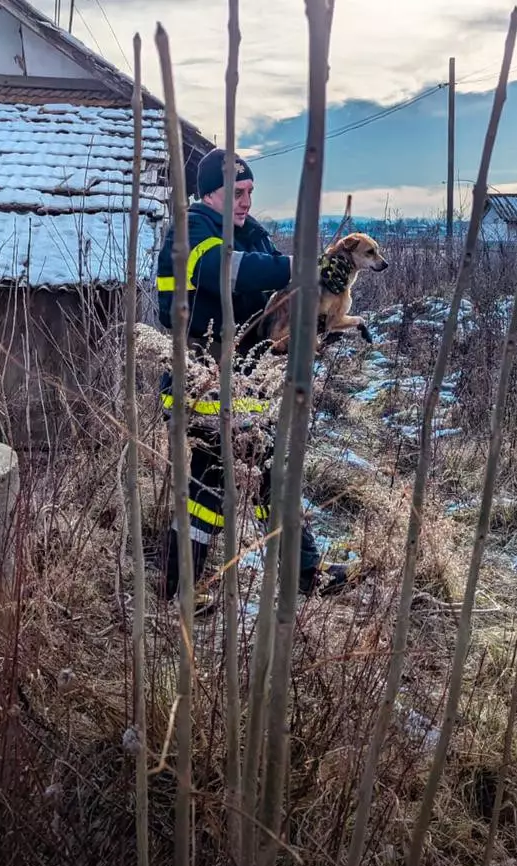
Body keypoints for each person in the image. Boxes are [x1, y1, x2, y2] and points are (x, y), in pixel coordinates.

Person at [154, 147, 359, 608]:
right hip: (202, 378)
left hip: (247, 382)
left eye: (251, 192)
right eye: (238, 192)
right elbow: (224, 270)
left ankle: (185, 588)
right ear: (211, 193)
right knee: (221, 481)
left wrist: (320, 318)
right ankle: (182, 591)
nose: (247, 201)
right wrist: (299, 265)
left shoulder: (254, 235)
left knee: (258, 477)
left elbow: (282, 302)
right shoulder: (192, 230)